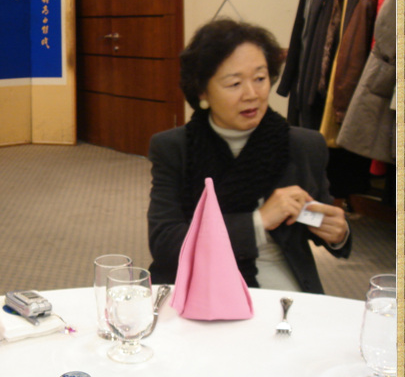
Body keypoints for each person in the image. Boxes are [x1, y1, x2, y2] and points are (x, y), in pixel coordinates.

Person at [147, 18, 351, 293]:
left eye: (260, 79)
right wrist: (258, 221)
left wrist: (338, 233)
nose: (252, 94)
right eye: (234, 84)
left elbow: (320, 220)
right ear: (202, 91)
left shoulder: (303, 145)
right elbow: (166, 244)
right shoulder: (174, 148)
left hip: (279, 284)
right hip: (199, 285)